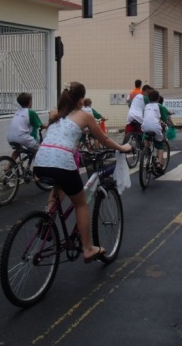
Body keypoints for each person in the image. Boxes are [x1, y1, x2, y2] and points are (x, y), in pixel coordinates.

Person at [34, 82, 130, 263]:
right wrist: (122, 147)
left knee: (58, 188)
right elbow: (104, 139)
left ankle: (47, 221)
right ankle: (87, 248)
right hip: (62, 162)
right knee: (80, 204)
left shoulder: (55, 113)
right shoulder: (85, 116)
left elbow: (63, 128)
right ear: (80, 101)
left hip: (40, 162)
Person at [6, 92, 45, 159]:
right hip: (22, 137)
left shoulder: (18, 111)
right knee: (40, 151)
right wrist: (50, 124)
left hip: (10, 137)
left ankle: (10, 164)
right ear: (30, 102)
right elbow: (41, 126)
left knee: (18, 150)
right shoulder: (30, 112)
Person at [141, 89, 168, 174]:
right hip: (155, 127)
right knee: (160, 146)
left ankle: (146, 152)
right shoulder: (159, 106)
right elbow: (164, 118)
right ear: (158, 98)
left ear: (148, 98)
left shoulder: (146, 106)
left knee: (146, 137)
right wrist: (167, 123)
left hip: (145, 126)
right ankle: (159, 164)